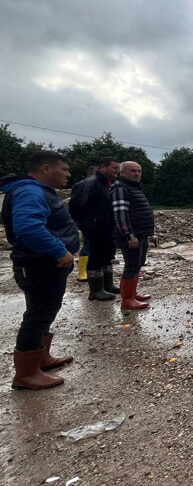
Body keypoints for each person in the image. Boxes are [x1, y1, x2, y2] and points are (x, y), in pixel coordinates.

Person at [1, 151, 79, 389]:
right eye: (64, 169)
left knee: (45, 311)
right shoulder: (29, 191)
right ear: (46, 168)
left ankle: (41, 358)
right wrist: (59, 250)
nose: (68, 174)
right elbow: (29, 227)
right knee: (37, 316)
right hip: (39, 264)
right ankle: (26, 374)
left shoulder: (39, 191)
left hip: (44, 264)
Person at [69, 156, 121, 301]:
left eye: (118, 168)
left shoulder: (107, 184)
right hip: (95, 229)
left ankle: (108, 285)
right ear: (103, 167)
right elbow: (76, 206)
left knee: (107, 256)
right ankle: (96, 290)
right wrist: (87, 225)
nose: (117, 171)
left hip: (108, 228)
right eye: (114, 168)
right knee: (96, 258)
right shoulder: (89, 184)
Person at [111, 161, 155, 310]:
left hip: (141, 234)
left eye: (139, 171)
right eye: (133, 171)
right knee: (131, 266)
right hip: (131, 236)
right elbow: (121, 214)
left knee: (137, 264)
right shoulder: (121, 188)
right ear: (122, 173)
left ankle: (133, 293)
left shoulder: (133, 187)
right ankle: (127, 299)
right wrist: (129, 235)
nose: (137, 174)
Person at [75, 165, 96, 281]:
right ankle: (83, 272)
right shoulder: (83, 186)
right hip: (88, 222)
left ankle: (94, 271)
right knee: (88, 245)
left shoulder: (101, 185)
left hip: (100, 223)